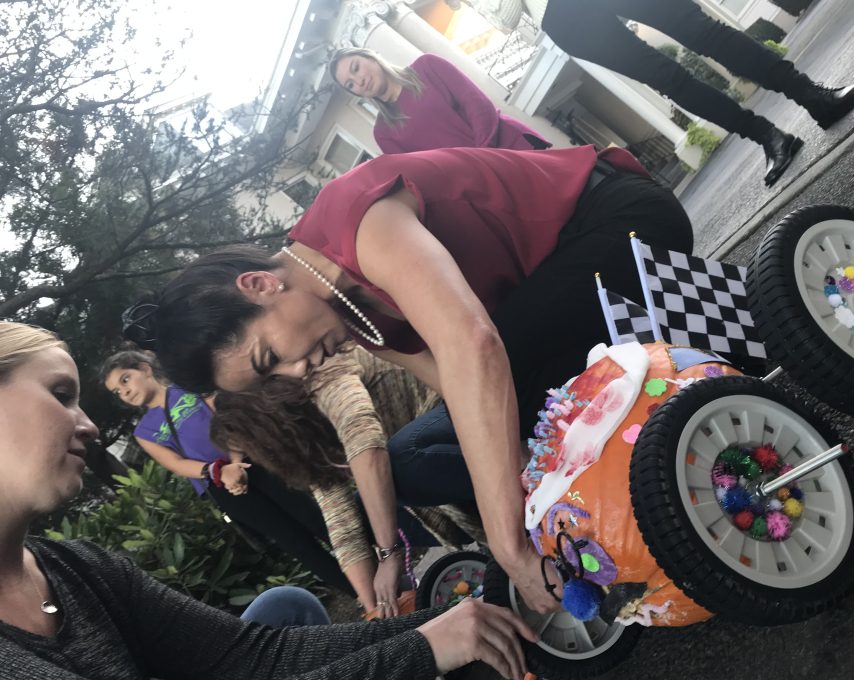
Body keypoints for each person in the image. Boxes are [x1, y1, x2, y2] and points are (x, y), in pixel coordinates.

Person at [133, 143, 693, 615]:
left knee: (505, 381)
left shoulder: (356, 220)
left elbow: (472, 346)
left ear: (259, 286)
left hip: (622, 220)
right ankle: (622, 500)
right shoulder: (355, 316)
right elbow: (454, 388)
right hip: (551, 297)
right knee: (420, 450)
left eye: (268, 357)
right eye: (271, 378)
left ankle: (670, 445)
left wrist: (510, 544)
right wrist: (534, 496)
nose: (295, 372)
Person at [0, 320, 536, 680]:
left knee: (290, 607)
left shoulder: (80, 568)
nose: (90, 426)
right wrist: (419, 647)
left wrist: (443, 618)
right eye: (61, 395)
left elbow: (254, 655)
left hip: (429, 428)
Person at [468, 0, 854, 186]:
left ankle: (814, 97)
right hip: (558, 14)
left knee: (702, 30)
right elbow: (502, 15)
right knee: (666, 79)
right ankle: (770, 137)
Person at [210, 345, 482, 619]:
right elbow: (341, 525)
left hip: (458, 417)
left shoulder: (322, 375)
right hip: (432, 465)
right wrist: (376, 609)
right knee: (360, 511)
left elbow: (367, 446)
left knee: (392, 470)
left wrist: (389, 555)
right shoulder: (310, 442)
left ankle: (508, 498)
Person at [100, 349, 358, 604]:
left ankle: (383, 562)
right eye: (117, 392)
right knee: (297, 544)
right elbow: (176, 464)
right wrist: (220, 472)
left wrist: (235, 461)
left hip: (252, 460)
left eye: (125, 379)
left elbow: (228, 415)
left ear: (145, 369)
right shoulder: (144, 431)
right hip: (223, 487)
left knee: (316, 517)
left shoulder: (189, 385)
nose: (124, 392)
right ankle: (362, 595)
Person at [330, 48, 551, 153]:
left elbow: (476, 104)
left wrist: (484, 155)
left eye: (356, 68)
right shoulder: (383, 133)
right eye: (350, 84)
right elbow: (426, 175)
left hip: (510, 146)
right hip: (483, 187)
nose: (358, 81)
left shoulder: (427, 66)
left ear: (370, 56)